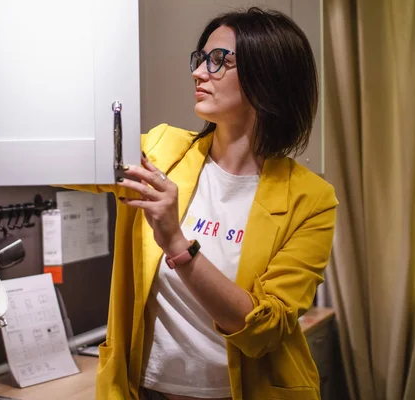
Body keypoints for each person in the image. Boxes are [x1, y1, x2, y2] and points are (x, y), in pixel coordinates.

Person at [60, 7, 338, 400]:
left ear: (269, 76)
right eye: (201, 58)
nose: (199, 72)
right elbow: (55, 161)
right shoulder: (161, 151)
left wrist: (177, 243)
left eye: (219, 61)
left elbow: (264, 329)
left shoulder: (311, 200)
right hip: (146, 390)